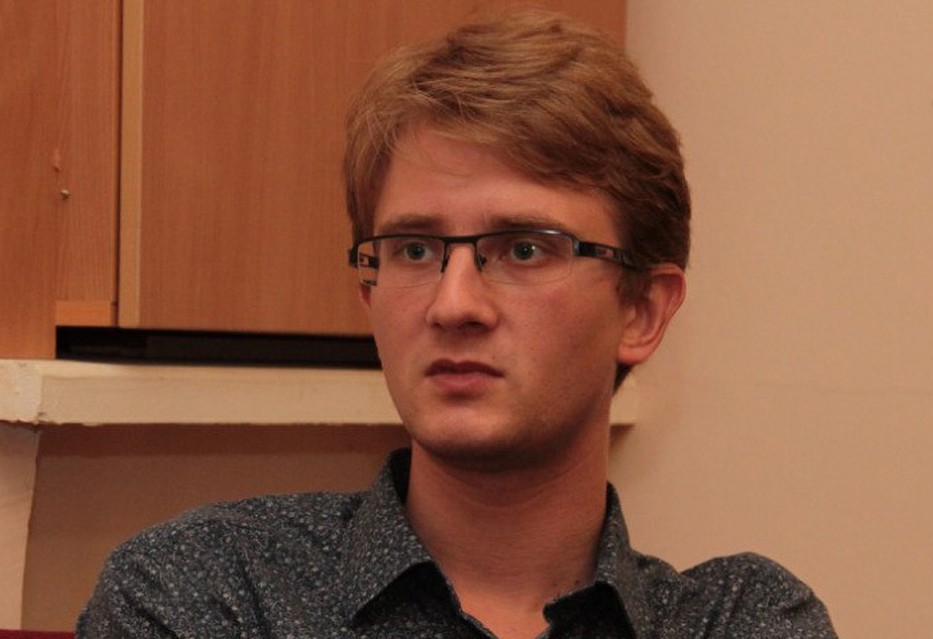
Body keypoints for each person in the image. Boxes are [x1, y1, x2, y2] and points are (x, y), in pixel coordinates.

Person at [78, 11, 837, 639]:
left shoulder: (738, 618)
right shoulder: (207, 593)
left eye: (525, 249)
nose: (453, 304)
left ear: (641, 310)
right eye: (414, 250)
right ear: (370, 295)